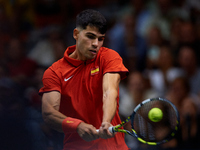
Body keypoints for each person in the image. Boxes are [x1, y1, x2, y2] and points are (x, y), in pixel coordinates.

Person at [39, 9, 129, 150]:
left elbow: (109, 92)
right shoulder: (54, 72)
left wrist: (106, 121)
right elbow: (49, 113)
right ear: (76, 34)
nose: (96, 44)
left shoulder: (109, 57)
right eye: (90, 36)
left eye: (100, 39)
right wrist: (77, 125)